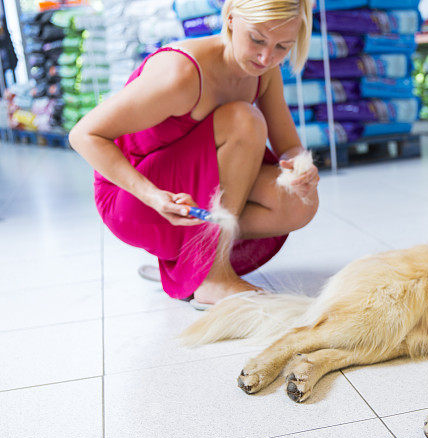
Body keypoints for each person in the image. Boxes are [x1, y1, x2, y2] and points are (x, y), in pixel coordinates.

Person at [69, 0, 319, 307]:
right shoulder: (181, 74)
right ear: (229, 18)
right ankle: (213, 276)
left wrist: (301, 168)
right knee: (244, 120)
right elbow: (84, 134)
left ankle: (188, 264)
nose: (266, 56)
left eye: (283, 46)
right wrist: (153, 196)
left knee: (297, 201)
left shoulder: (264, 69)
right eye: (257, 39)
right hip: (134, 199)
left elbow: (289, 146)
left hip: (192, 194)